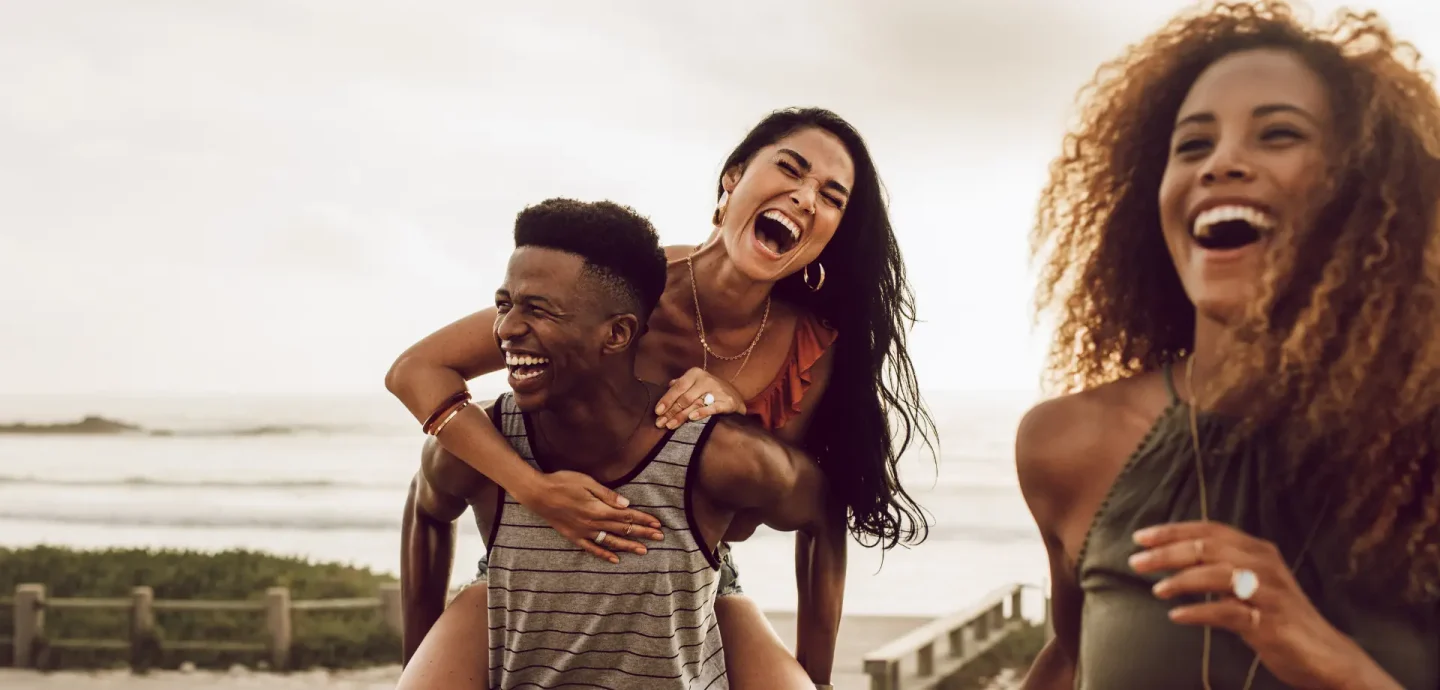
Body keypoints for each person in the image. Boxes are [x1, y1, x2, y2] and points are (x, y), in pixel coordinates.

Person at [385, 107, 936, 688]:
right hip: (529, 548)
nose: (804, 197)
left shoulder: (807, 349)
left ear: (834, 231)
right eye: (790, 170)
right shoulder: (636, 286)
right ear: (733, 179)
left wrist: (736, 416)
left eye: (830, 196)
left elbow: (757, 515)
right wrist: (535, 490)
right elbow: (418, 370)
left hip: (687, 571)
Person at [1017, 2, 1440, 688]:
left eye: (1278, 135)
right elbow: (1071, 661)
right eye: (1192, 145)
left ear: (1363, 188)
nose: (1222, 164)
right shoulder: (1070, 446)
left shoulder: (1423, 455)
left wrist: (1326, 659)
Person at [399, 198, 836, 690]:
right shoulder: (480, 443)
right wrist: (417, 657)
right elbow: (426, 505)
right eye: (504, 305)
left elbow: (822, 510)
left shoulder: (721, 455)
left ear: (618, 335)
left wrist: (819, 678)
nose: (504, 330)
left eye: (538, 310)